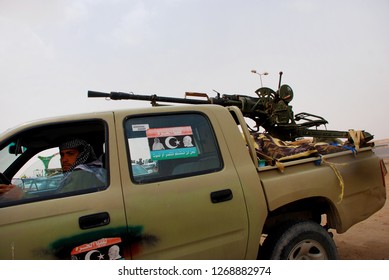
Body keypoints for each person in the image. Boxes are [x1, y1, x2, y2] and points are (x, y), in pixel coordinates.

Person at [0, 138, 106, 201]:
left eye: (70, 154)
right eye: (62, 155)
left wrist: (21, 195)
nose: (64, 159)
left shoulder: (82, 174)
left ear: (83, 155)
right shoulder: (85, 172)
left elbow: (59, 205)